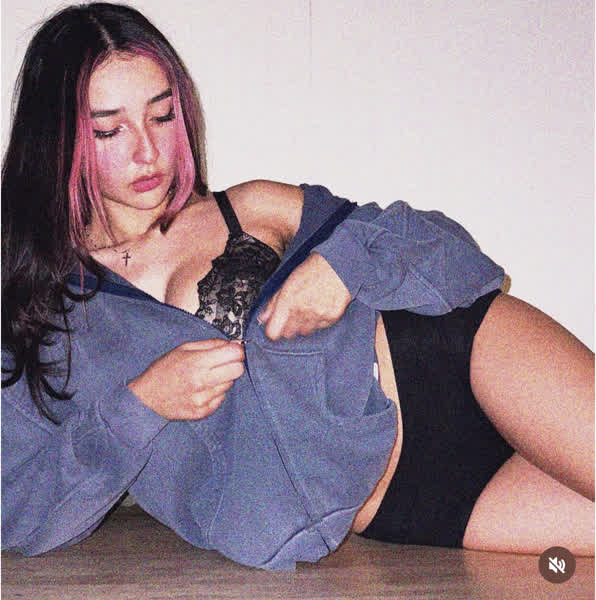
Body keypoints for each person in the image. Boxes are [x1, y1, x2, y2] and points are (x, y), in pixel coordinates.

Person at [2, 3, 593, 570]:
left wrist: (342, 267)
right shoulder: (37, 314)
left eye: (162, 116)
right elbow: (18, 512)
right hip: (395, 503)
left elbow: (453, 252)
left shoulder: (252, 207)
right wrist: (140, 405)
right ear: (57, 139)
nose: (148, 150)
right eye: (109, 130)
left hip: (447, 358)